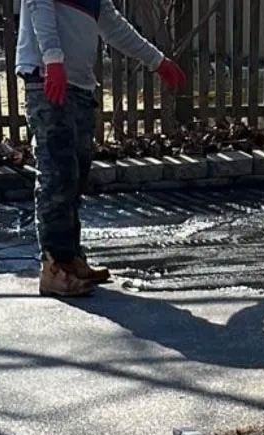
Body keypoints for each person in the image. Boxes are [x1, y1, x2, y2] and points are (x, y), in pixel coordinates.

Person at [16, 0, 186, 298]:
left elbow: (113, 25)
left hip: (79, 84)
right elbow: (37, 3)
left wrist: (157, 61)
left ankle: (70, 257)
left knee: (76, 174)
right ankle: (53, 268)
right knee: (57, 174)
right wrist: (53, 60)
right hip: (46, 78)